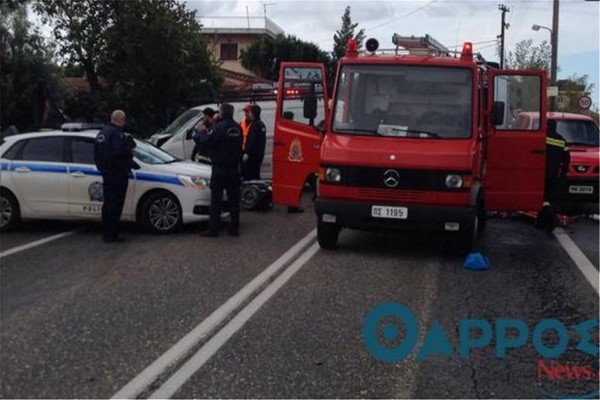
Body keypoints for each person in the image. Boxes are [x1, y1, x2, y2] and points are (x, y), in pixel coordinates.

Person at [201, 103, 243, 237]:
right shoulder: (238, 128)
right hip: (233, 168)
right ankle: (234, 228)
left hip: (220, 168)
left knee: (216, 200)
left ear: (222, 113)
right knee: (234, 200)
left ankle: (214, 229)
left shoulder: (218, 128)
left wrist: (202, 132)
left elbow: (207, 142)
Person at [94, 110, 136, 243]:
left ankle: (107, 232)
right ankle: (112, 234)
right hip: (117, 173)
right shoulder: (117, 134)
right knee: (115, 205)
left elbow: (96, 154)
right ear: (121, 120)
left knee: (107, 204)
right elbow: (118, 152)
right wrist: (128, 147)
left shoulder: (102, 133)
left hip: (106, 173)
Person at [536, 119, 570, 233]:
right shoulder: (561, 140)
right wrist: (564, 173)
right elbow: (567, 159)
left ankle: (549, 220)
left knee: (543, 198)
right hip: (554, 174)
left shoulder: (541, 138)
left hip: (541, 173)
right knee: (549, 198)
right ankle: (541, 222)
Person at [242, 104, 267, 181]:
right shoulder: (259, 124)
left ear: (251, 113)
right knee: (254, 175)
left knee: (250, 176)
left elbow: (253, 141)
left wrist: (247, 153)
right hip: (256, 155)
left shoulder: (256, 125)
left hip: (252, 156)